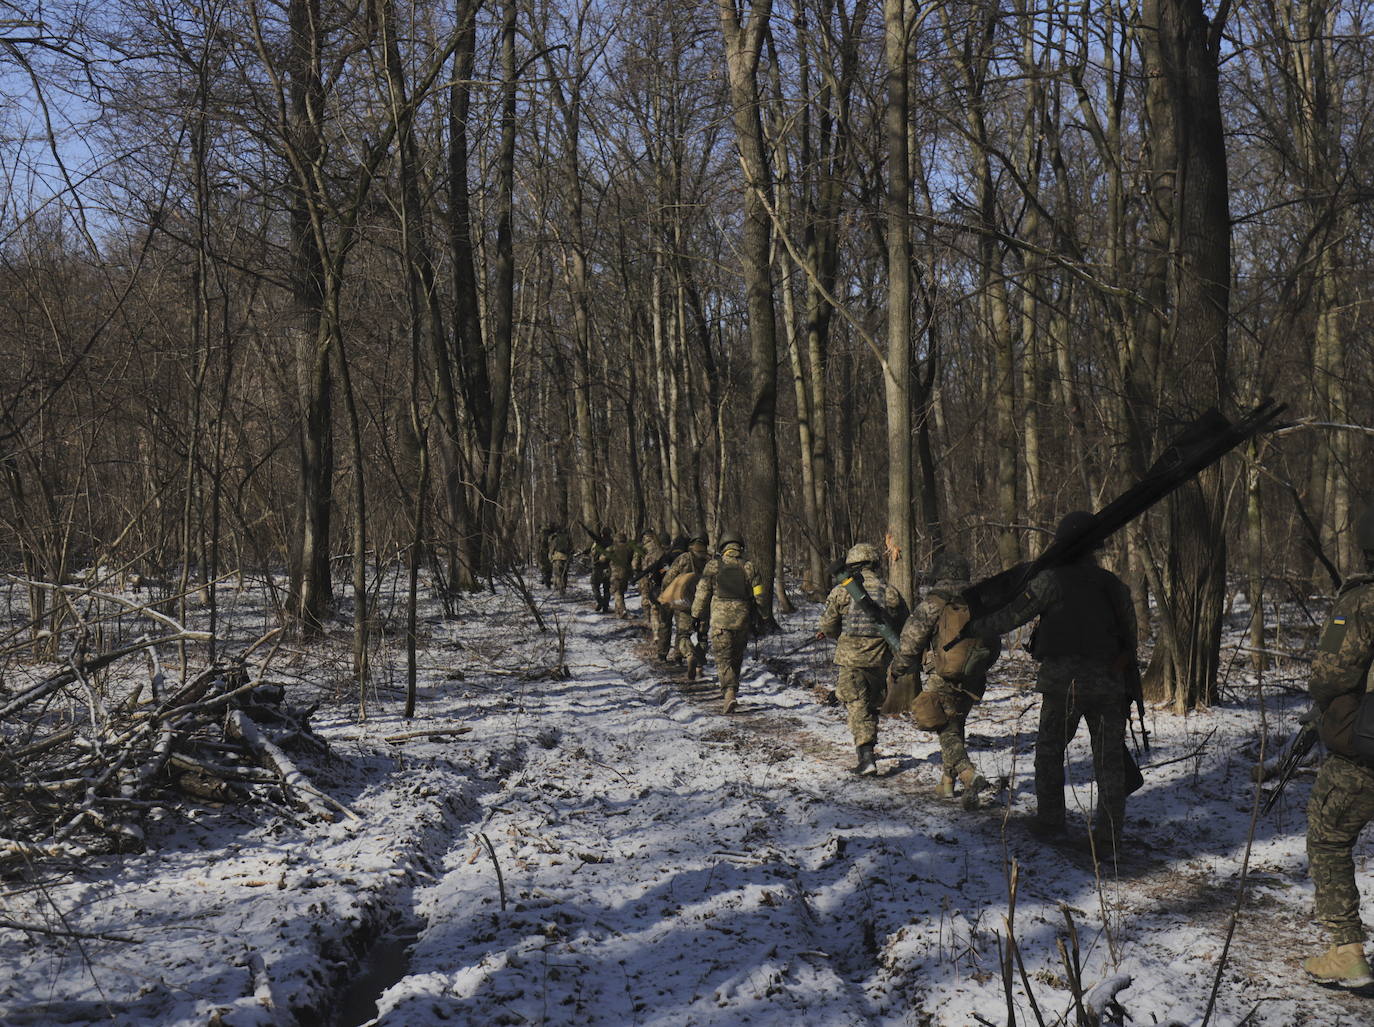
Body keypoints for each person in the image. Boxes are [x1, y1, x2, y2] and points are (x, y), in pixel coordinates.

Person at [966, 511, 1137, 848]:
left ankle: (1049, 821)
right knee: (1110, 761)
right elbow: (1130, 638)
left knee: (1049, 752)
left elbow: (1013, 615)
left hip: (1064, 684)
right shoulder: (1112, 584)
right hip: (1109, 683)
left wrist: (972, 627)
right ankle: (1110, 835)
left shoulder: (1050, 581)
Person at [1302, 507, 1374, 987]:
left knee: (1327, 838)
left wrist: (1327, 708)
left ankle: (1346, 951)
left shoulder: (1364, 601)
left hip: (1366, 753)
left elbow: (1330, 674)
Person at [891, 551, 1000, 807]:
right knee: (955, 724)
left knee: (944, 726)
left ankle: (968, 774)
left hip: (942, 674)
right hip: (974, 675)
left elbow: (910, 640)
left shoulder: (934, 601)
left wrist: (900, 667)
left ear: (939, 573)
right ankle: (947, 783)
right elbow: (996, 638)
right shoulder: (980, 600)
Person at [817, 542, 907, 775]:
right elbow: (904, 625)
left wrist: (839, 635)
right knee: (871, 703)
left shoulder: (841, 591)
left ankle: (866, 756)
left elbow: (827, 625)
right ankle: (868, 750)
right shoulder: (890, 592)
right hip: (880, 660)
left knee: (858, 705)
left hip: (851, 660)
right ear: (875, 564)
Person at [692, 531, 763, 714]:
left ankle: (729, 692)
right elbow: (760, 595)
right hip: (742, 620)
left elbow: (702, 593)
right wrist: (760, 614)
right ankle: (733, 689)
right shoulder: (750, 567)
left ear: (723, 547)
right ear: (740, 547)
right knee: (736, 658)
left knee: (723, 659)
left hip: (720, 622)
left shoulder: (713, 566)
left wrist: (696, 615)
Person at [663, 535, 710, 679]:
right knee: (702, 636)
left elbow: (668, 578)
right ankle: (700, 667)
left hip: (684, 602)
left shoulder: (684, 558)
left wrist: (666, 593)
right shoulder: (710, 560)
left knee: (684, 634)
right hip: (704, 604)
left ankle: (689, 655)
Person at [605, 531, 640, 618]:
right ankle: (618, 612)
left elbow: (602, 558)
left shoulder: (612, 548)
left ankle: (623, 611)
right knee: (621, 592)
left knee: (617, 592)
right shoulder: (629, 548)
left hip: (615, 573)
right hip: (626, 574)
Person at [587, 524, 612, 612]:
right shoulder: (612, 542)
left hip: (598, 567)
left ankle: (600, 601)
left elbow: (593, 537)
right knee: (606, 587)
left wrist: (587, 530)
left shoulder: (600, 540)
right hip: (608, 567)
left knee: (594, 585)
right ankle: (605, 605)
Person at [548, 524, 572, 593]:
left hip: (557, 558)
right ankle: (564, 588)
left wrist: (550, 556)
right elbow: (571, 548)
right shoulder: (567, 538)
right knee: (565, 574)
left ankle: (560, 588)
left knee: (558, 574)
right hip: (566, 558)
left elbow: (552, 549)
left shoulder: (555, 539)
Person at [537, 524, 555, 588]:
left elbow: (539, 544)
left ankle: (545, 579)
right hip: (549, 552)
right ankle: (547, 580)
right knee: (549, 567)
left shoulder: (541, 535)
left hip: (543, 552)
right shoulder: (551, 534)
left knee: (544, 567)